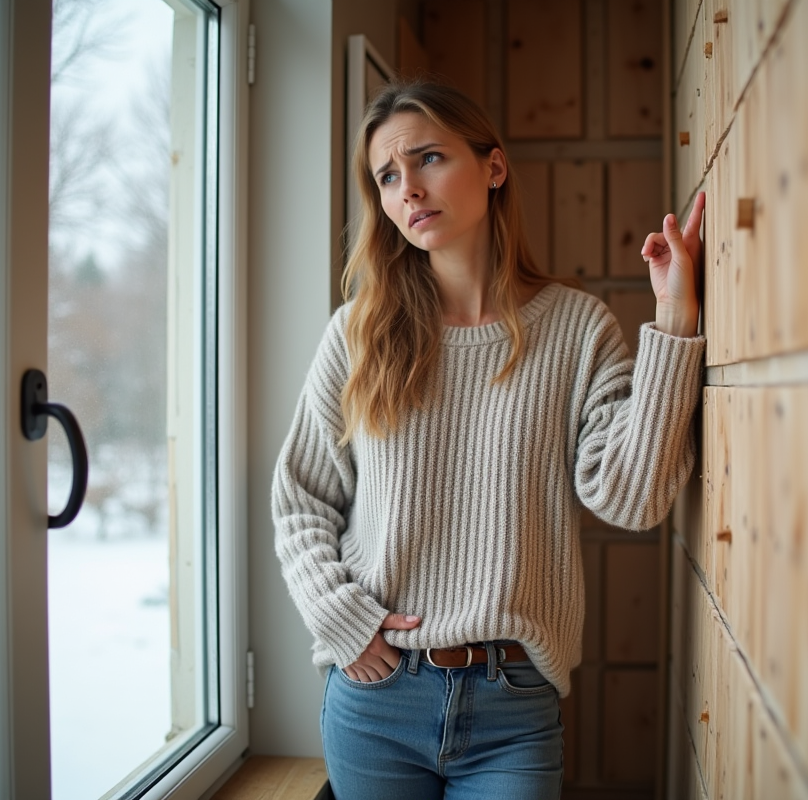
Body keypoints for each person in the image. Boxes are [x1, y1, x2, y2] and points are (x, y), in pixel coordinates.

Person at [271, 80, 707, 799]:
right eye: (386, 175)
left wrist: (673, 315)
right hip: (377, 698)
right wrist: (344, 620)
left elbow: (633, 499)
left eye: (429, 158)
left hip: (514, 702)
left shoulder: (577, 328)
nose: (408, 188)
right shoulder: (358, 333)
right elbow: (300, 500)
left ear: (494, 167)